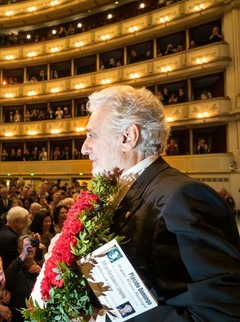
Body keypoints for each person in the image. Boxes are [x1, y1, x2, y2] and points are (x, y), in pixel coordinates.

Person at [41, 84, 240, 320]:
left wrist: (110, 318)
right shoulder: (120, 193)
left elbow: (221, 313)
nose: (84, 148)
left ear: (128, 137)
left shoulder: (182, 197)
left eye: (91, 134)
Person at [5, 235, 41, 322]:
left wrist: (41, 272)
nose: (29, 249)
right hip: (19, 316)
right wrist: (23, 255)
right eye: (25, 247)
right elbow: (8, 278)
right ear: (19, 250)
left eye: (32, 246)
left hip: (39, 315)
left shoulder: (42, 266)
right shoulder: (15, 268)